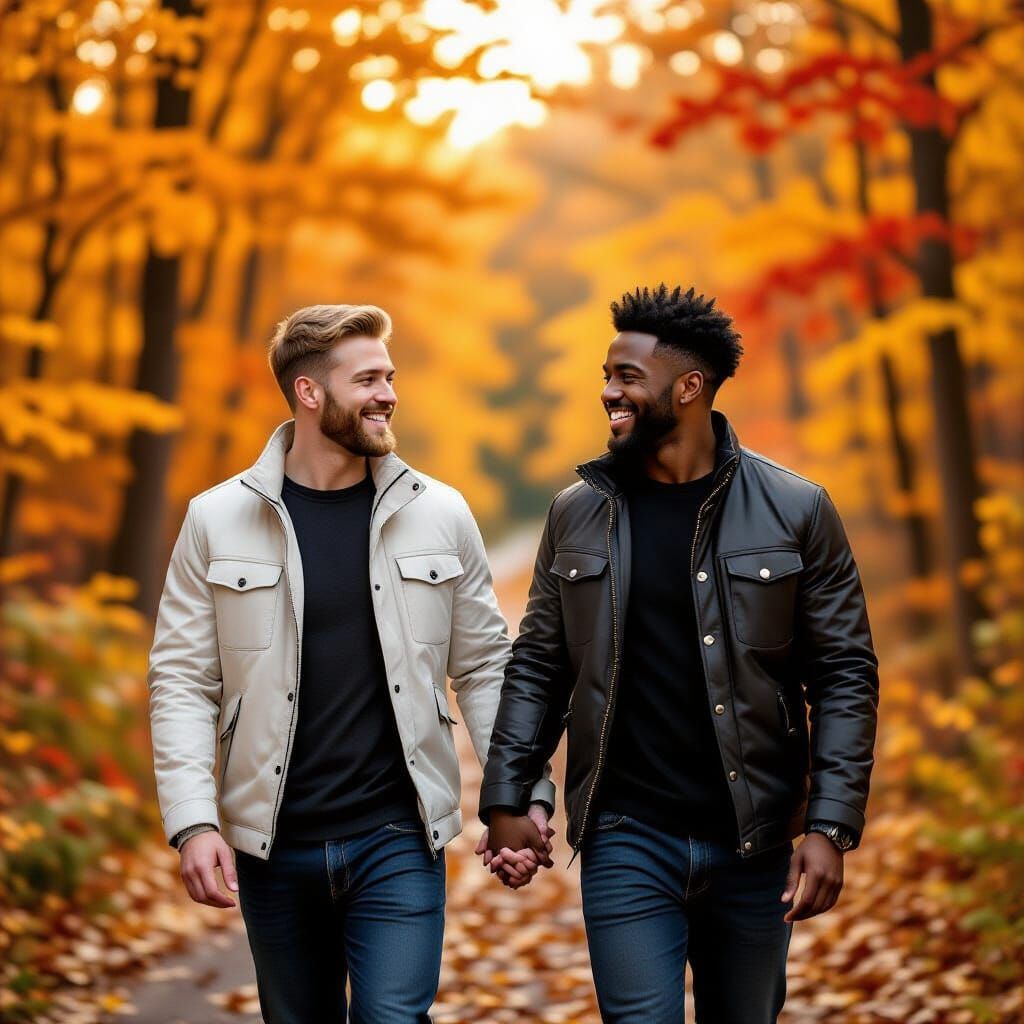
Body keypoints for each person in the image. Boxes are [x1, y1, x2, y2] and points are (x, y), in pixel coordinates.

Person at [478, 284, 879, 1023]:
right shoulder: (578, 513)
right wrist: (507, 797)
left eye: (627, 377)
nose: (608, 392)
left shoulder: (797, 510)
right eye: (606, 375)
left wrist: (830, 825)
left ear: (689, 387)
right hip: (626, 835)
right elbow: (539, 664)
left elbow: (845, 673)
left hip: (751, 842)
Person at [147, 303, 554, 1024]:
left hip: (397, 836)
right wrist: (193, 821)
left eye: (389, 376)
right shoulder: (215, 519)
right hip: (273, 846)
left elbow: (488, 667)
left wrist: (516, 795)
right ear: (310, 393)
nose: (388, 393)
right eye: (367, 378)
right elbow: (182, 680)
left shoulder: (440, 512)